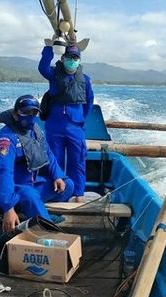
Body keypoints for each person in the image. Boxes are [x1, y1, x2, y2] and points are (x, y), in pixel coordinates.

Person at [0, 95, 74, 232]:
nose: (30, 116)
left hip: (31, 183)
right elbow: (4, 173)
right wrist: (8, 207)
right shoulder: (6, 140)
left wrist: (57, 176)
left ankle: (43, 215)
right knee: (31, 196)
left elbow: (48, 153)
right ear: (15, 114)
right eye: (25, 112)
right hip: (9, 189)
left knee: (67, 186)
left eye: (34, 112)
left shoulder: (35, 130)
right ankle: (49, 230)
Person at [38, 43, 94, 202]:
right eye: (69, 57)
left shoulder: (86, 80)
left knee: (77, 160)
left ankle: (78, 194)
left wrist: (81, 119)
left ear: (79, 60)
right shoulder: (54, 74)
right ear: (63, 58)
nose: (72, 60)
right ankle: (58, 193)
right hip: (54, 125)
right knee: (55, 160)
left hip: (75, 126)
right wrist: (49, 47)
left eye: (75, 58)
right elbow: (42, 67)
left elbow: (89, 102)